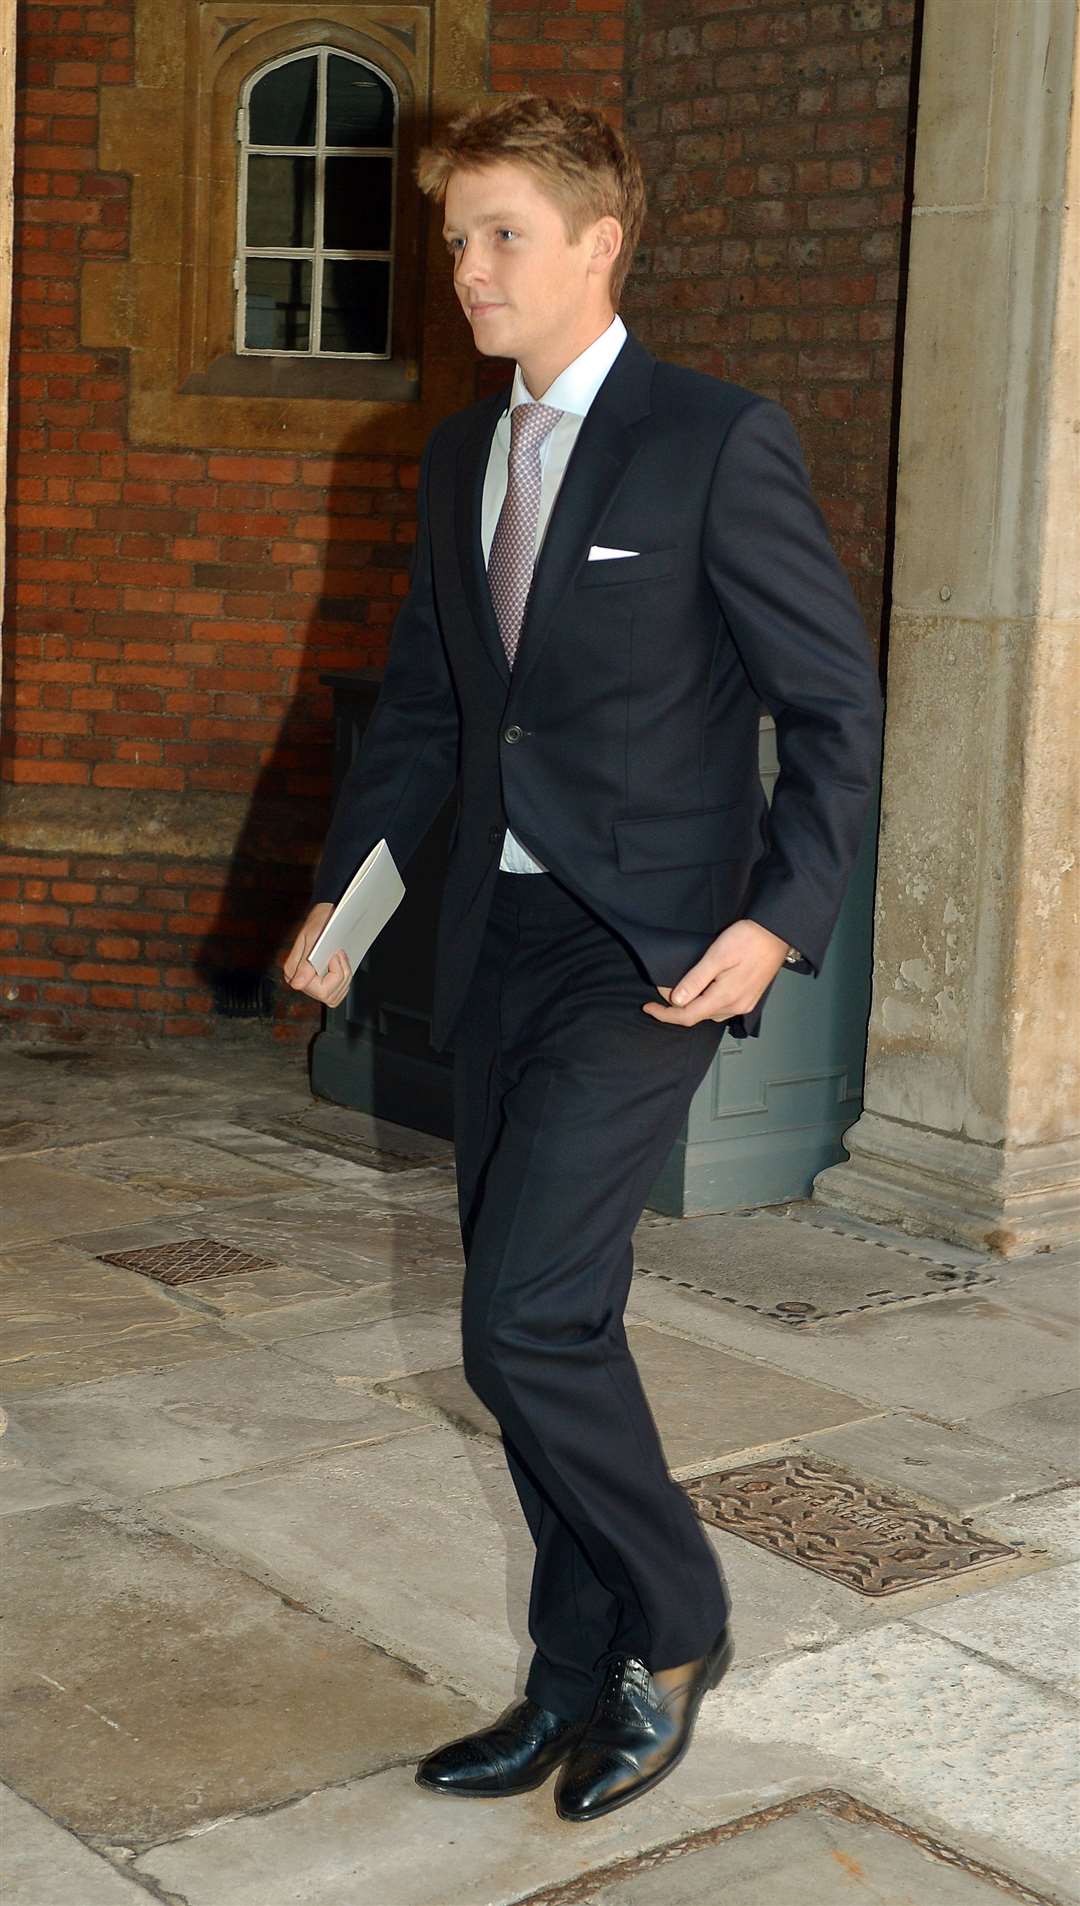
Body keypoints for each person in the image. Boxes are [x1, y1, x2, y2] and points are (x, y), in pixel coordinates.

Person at [284, 93, 884, 1823]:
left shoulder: (715, 437)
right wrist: (355, 898)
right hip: (494, 931)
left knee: (523, 1322)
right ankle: (569, 1673)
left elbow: (832, 707)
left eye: (500, 236)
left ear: (599, 244)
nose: (465, 269)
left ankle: (678, 1626)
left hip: (656, 951)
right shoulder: (465, 458)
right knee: (557, 1315)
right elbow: (429, 711)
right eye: (454, 237)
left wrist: (779, 918)